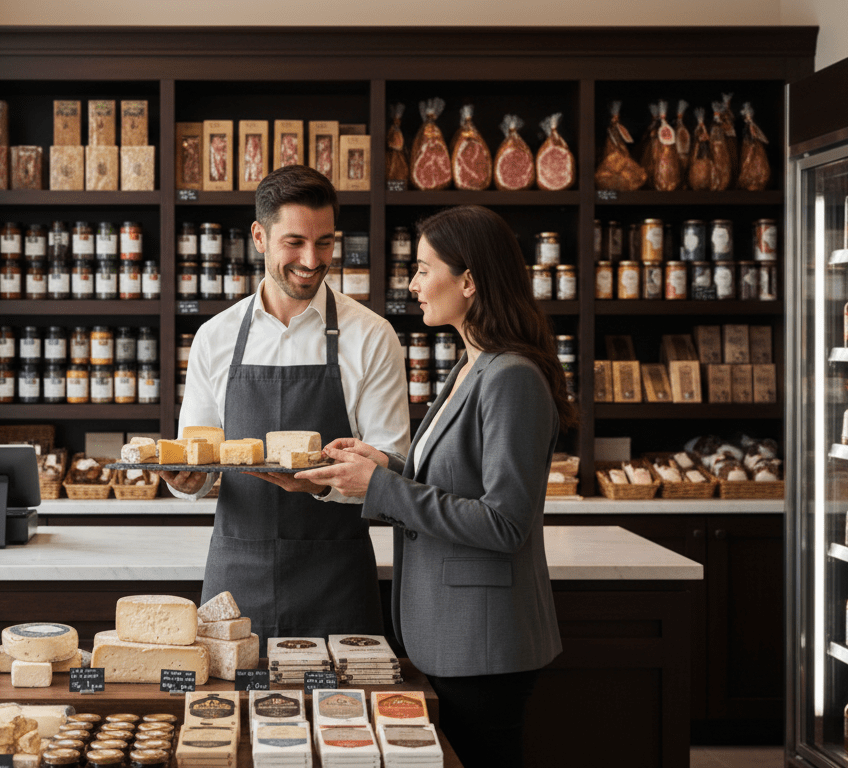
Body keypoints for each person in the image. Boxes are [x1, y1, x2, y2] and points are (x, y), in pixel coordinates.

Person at [299, 205, 575, 768]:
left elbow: (505, 523)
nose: (413, 283)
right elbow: (455, 484)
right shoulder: (469, 369)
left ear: (469, 280)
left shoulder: (512, 377)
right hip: (452, 637)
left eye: (424, 269)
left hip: (486, 644)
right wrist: (383, 467)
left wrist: (379, 486)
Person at [160, 165, 410, 645]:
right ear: (259, 236)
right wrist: (187, 482)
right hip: (237, 580)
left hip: (336, 580)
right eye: (294, 242)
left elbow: (392, 468)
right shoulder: (215, 338)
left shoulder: (372, 336)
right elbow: (198, 458)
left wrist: (319, 486)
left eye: (324, 243)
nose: (311, 259)